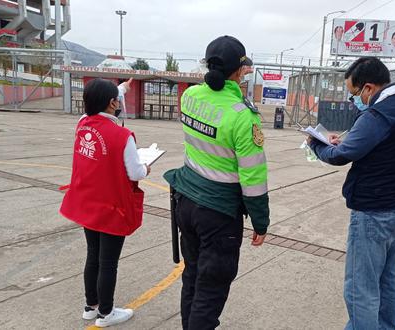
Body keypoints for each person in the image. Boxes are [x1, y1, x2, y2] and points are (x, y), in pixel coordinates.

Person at [308, 57, 395, 329]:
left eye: (354, 94)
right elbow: (388, 144)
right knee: (390, 283)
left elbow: (341, 156)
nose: (354, 101)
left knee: (361, 289)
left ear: (369, 88)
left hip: (375, 215)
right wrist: (349, 138)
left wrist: (317, 145)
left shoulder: (379, 114)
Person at [164, 35, 270, 330]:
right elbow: (253, 177)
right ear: (239, 72)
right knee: (210, 290)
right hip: (218, 214)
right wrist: (261, 222)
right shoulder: (242, 117)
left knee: (193, 277)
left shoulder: (190, 97)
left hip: (186, 202)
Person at [60, 78, 151, 328]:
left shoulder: (83, 124)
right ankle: (106, 313)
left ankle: (91, 306)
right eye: (117, 99)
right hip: (111, 207)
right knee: (108, 262)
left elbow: (104, 99)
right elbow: (135, 173)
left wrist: (122, 88)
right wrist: (146, 167)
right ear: (112, 104)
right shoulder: (122, 135)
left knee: (93, 256)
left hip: (88, 203)